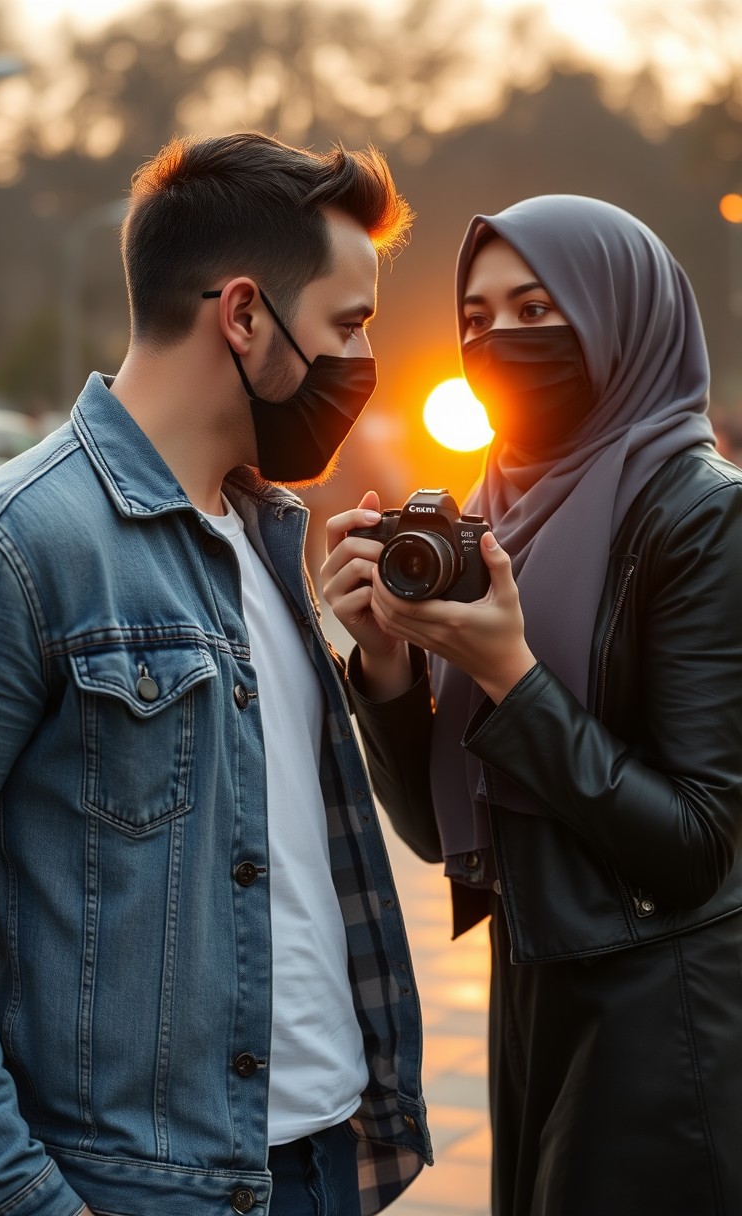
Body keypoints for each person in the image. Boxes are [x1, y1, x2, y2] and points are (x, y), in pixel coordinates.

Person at [0, 133, 433, 1216]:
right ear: (243, 316)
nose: (359, 362)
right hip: (138, 1191)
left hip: (323, 1166)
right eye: (347, 325)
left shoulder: (270, 538)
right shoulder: (7, 550)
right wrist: (16, 1200)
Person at [322, 194, 742, 1215]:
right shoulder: (501, 509)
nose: (500, 339)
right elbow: (437, 831)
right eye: (476, 318)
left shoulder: (702, 517)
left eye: (537, 308)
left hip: (660, 1017)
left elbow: (694, 841)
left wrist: (511, 674)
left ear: (619, 317)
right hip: (535, 994)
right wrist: (381, 666)